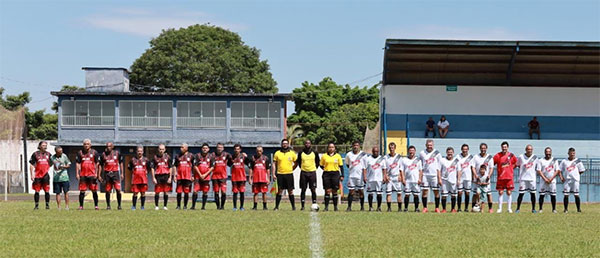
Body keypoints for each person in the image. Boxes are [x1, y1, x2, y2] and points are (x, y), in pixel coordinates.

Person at [76, 139, 101, 210]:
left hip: (92, 175)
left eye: (88, 144)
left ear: (90, 145)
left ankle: (96, 206)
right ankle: (81, 206)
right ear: (83, 145)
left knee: (94, 191)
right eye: (85, 144)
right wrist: (77, 173)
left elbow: (97, 163)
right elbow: (78, 163)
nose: (86, 145)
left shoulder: (94, 152)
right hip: (83, 175)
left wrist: (96, 173)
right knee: (82, 191)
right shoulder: (80, 153)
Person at [273, 139, 297, 211]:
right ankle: (276, 207)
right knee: (279, 191)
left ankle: (293, 207)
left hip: (289, 174)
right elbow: (274, 164)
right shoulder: (277, 153)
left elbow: (296, 163)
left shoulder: (292, 153)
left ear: (288, 144)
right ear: (281, 144)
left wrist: (291, 169)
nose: (285, 145)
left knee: (290, 191)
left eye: (286, 143)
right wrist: (274, 174)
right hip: (280, 174)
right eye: (283, 143)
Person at [418, 139, 442, 213]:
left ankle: (437, 207)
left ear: (433, 145)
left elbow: (439, 166)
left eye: (431, 145)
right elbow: (420, 166)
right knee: (425, 191)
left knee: (436, 191)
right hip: (425, 175)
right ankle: (425, 207)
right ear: (426, 145)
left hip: (434, 175)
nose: (429, 146)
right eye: (428, 145)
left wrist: (439, 178)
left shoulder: (437, 153)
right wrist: (420, 177)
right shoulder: (422, 153)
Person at [493, 141, 518, 213]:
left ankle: (509, 208)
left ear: (507, 147)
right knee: (500, 192)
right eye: (503, 147)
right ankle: (499, 208)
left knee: (509, 192)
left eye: (505, 147)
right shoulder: (497, 155)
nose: (504, 148)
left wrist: (511, 168)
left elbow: (516, 163)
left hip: (509, 177)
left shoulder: (511, 155)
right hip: (500, 177)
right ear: (501, 147)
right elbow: (492, 163)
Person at [99, 142, 124, 210]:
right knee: (107, 191)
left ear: (112, 147)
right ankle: (108, 205)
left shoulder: (117, 153)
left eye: (110, 146)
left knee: (118, 190)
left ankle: (119, 205)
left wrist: (122, 173)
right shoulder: (103, 155)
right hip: (107, 174)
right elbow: (100, 165)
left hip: (115, 173)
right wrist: (99, 175)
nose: (108, 148)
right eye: (107, 146)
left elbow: (121, 163)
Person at [320, 142, 344, 211]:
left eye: (332, 147)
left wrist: (342, 175)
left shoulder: (338, 156)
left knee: (335, 191)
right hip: (326, 174)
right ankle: (326, 207)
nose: (331, 148)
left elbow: (341, 166)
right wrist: (326, 169)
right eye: (330, 147)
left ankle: (335, 207)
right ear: (328, 148)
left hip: (335, 174)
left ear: (334, 148)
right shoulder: (324, 156)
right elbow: (321, 165)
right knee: (327, 191)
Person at [560, 147, 585, 213]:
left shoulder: (578, 161)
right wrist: (561, 177)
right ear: (568, 153)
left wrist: (576, 175)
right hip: (567, 180)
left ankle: (578, 209)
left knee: (576, 195)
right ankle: (565, 209)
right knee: (566, 195)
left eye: (573, 153)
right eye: (571, 153)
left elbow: (582, 170)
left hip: (575, 180)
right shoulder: (564, 161)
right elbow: (559, 170)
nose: (572, 155)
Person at [296, 139, 320, 210]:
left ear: (311, 144)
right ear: (304, 144)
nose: (307, 144)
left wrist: (313, 168)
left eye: (309, 143)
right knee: (303, 189)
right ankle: (302, 206)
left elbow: (317, 162)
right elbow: (299, 162)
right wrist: (303, 168)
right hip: (303, 173)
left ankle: (314, 204)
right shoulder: (301, 152)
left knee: (313, 189)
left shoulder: (315, 152)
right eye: (306, 143)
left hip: (312, 173)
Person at [537, 147, 561, 213]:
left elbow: (557, 170)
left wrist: (551, 178)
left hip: (552, 181)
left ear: (551, 152)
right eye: (547, 152)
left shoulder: (555, 160)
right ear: (544, 152)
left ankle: (554, 209)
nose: (548, 153)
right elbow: (539, 171)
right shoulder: (541, 160)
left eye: (549, 152)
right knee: (542, 195)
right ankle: (540, 209)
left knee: (553, 195)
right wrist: (545, 179)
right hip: (543, 181)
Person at [515, 145, 538, 213]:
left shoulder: (535, 157)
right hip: (523, 179)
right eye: (528, 149)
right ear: (525, 150)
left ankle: (533, 209)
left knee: (533, 194)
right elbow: (518, 164)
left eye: (531, 149)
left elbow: (537, 167)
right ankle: (518, 209)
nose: (529, 151)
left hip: (532, 179)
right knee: (521, 194)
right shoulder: (521, 156)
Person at [345, 141, 367, 211]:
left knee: (361, 191)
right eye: (354, 145)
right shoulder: (349, 154)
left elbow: (364, 166)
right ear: (352, 146)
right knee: (351, 191)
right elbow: (347, 164)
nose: (355, 147)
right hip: (352, 176)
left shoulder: (363, 155)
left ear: (359, 146)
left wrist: (364, 176)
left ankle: (362, 207)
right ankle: (349, 207)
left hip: (360, 176)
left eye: (357, 145)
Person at [30, 141, 52, 210]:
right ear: (39, 146)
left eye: (45, 145)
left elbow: (51, 163)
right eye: (43, 145)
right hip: (37, 176)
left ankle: (47, 205)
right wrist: (32, 174)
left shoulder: (48, 154)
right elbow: (31, 164)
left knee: (47, 191)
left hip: (45, 175)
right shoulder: (35, 154)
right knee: (37, 191)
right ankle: (36, 206)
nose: (45, 146)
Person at [472, 143, 494, 213]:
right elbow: (473, 167)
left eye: (484, 148)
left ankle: (490, 208)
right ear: (480, 148)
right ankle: (474, 208)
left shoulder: (489, 157)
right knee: (476, 194)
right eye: (482, 148)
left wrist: (489, 175)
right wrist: (475, 175)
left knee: (488, 194)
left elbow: (491, 168)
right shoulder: (476, 157)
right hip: (478, 179)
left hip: (485, 179)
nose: (483, 149)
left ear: (486, 148)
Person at [364, 147, 387, 212]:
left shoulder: (382, 159)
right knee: (370, 193)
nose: (375, 153)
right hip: (370, 179)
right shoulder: (368, 159)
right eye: (374, 151)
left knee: (379, 193)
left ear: (378, 151)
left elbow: (384, 168)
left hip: (379, 179)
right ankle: (370, 207)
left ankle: (379, 207)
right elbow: (365, 168)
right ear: (372, 151)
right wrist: (365, 176)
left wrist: (384, 176)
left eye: (377, 151)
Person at [151, 144, 173, 210]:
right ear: (158, 149)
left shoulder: (168, 157)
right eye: (160, 149)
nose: (161, 151)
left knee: (166, 191)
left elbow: (170, 167)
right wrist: (153, 177)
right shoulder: (155, 157)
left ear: (165, 149)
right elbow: (152, 168)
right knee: (157, 191)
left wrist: (170, 177)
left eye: (162, 149)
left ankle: (165, 206)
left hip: (166, 175)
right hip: (158, 176)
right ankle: (156, 206)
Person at [249, 146, 271, 210]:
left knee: (264, 192)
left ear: (262, 151)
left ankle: (265, 206)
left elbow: (268, 169)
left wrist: (268, 178)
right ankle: (255, 206)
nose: (259, 152)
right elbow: (251, 169)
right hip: (255, 178)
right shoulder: (253, 158)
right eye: (258, 151)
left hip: (263, 178)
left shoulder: (266, 158)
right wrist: (250, 178)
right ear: (256, 151)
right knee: (255, 193)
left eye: (260, 151)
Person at [402, 145, 423, 212]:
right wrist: (403, 179)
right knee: (407, 195)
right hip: (408, 180)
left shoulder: (418, 160)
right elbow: (401, 170)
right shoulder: (404, 160)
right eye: (410, 151)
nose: (411, 152)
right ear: (408, 151)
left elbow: (420, 170)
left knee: (416, 195)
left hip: (415, 180)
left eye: (413, 151)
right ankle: (406, 208)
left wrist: (420, 178)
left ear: (415, 151)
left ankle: (416, 208)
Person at [174, 143, 194, 210]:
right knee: (179, 192)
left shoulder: (191, 156)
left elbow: (194, 166)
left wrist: (193, 175)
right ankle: (178, 206)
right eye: (180, 147)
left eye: (182, 147)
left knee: (186, 192)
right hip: (179, 176)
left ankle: (185, 206)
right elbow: (175, 166)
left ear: (186, 148)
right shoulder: (177, 156)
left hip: (187, 177)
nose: (181, 148)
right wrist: (174, 175)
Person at [192, 143, 213, 210]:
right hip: (198, 177)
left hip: (206, 177)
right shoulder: (197, 156)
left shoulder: (211, 156)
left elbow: (212, 167)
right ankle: (193, 206)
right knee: (195, 191)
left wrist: (205, 174)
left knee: (205, 191)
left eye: (206, 148)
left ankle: (203, 206)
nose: (205, 149)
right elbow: (195, 166)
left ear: (208, 149)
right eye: (204, 148)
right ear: (201, 149)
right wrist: (200, 174)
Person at [229, 144, 249, 211]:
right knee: (235, 193)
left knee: (242, 192)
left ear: (240, 150)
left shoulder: (243, 157)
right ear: (234, 150)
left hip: (242, 177)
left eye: (238, 149)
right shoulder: (231, 157)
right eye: (235, 149)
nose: (236, 150)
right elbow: (228, 164)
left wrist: (247, 157)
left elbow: (249, 163)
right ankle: (234, 207)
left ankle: (241, 207)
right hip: (234, 177)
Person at [384, 142, 404, 212]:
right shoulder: (386, 157)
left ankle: (400, 208)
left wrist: (400, 176)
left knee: (399, 193)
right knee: (388, 193)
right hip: (389, 177)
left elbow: (401, 168)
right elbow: (384, 168)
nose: (391, 149)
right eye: (390, 148)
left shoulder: (399, 157)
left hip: (396, 177)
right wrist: (385, 175)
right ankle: (389, 208)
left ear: (395, 148)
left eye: (392, 148)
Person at [128, 146, 149, 210]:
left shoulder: (146, 160)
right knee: (135, 193)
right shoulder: (133, 160)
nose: (140, 152)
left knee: (143, 193)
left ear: (143, 152)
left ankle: (142, 206)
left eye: (141, 151)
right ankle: (134, 206)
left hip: (143, 179)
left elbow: (149, 168)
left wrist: (146, 173)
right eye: (138, 151)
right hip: (135, 179)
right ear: (136, 152)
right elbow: (129, 168)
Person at [212, 143, 231, 210]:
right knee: (216, 192)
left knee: (223, 192)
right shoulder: (213, 155)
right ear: (216, 148)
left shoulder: (227, 155)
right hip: (215, 176)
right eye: (218, 147)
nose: (219, 148)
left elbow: (232, 161)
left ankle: (222, 206)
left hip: (223, 176)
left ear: (223, 148)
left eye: (221, 147)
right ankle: (218, 206)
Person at [456, 144, 475, 212]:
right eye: (464, 149)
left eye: (466, 149)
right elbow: (458, 169)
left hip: (468, 178)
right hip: (461, 178)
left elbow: (472, 167)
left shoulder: (471, 157)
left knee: (467, 193)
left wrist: (473, 177)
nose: (465, 150)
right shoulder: (458, 157)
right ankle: (459, 208)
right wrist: (458, 179)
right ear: (461, 149)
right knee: (460, 192)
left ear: (468, 150)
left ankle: (466, 208)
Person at [51, 146, 71, 210]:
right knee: (57, 193)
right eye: (59, 152)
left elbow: (68, 164)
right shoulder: (52, 157)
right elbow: (53, 165)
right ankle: (59, 207)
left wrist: (64, 166)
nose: (61, 152)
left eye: (61, 151)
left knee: (66, 192)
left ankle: (67, 206)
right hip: (56, 178)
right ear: (56, 152)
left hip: (64, 177)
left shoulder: (64, 156)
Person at [440, 147, 459, 213]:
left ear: (453, 153)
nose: (450, 154)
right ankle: (444, 209)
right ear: (446, 153)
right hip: (444, 180)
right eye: (448, 152)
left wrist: (458, 180)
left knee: (453, 195)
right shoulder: (442, 160)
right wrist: (439, 179)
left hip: (453, 180)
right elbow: (439, 170)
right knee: (444, 195)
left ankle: (453, 209)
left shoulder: (456, 161)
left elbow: (459, 171)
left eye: (451, 152)